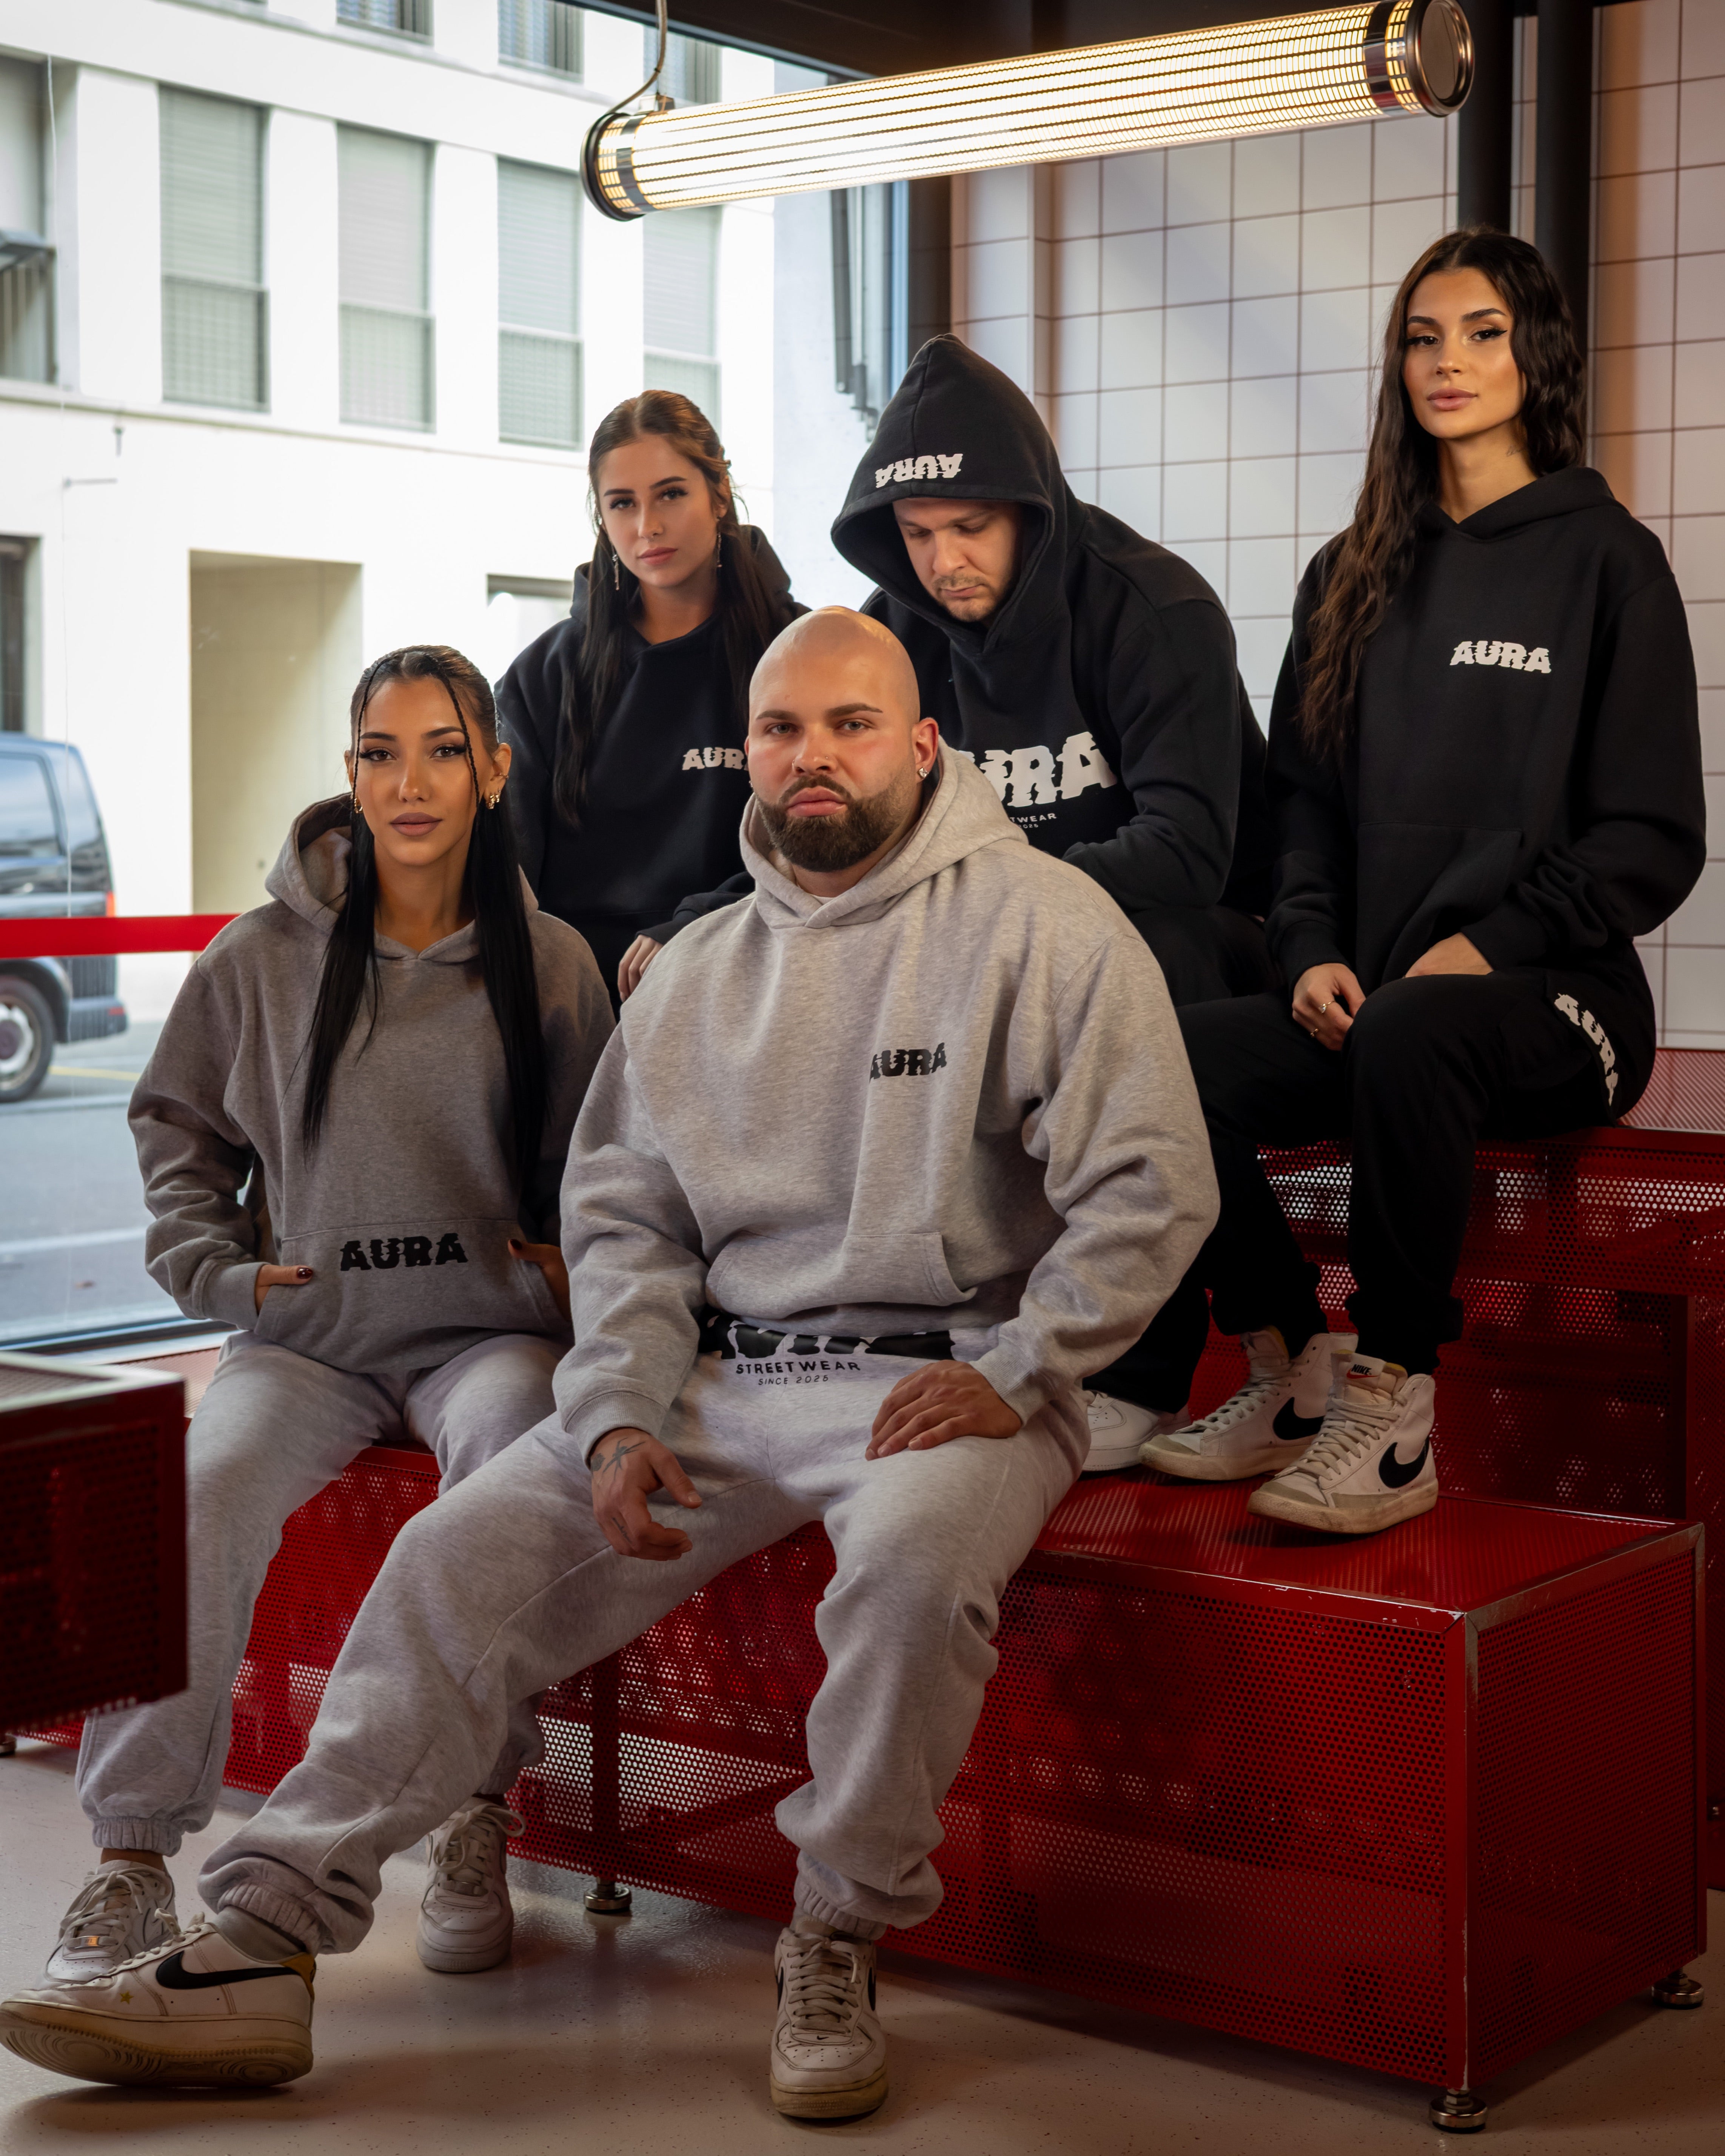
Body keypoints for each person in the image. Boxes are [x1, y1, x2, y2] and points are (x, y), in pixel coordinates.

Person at [0, 610, 1218, 2115]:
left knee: (909, 1578)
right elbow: (626, 1224)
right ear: (748, 755)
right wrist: (620, 1410)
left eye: (850, 725)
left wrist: (1028, 1362)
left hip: (951, 1381)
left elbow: (1152, 1182)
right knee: (451, 1556)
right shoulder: (700, 968)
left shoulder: (1040, 925)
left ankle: (834, 1934)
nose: (814, 755)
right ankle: (264, 1933)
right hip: (733, 1379)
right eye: (782, 729)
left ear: (921, 747)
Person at [21, 646, 612, 1999]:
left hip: (486, 1339)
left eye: (444, 751)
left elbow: (608, 1169)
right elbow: (176, 1130)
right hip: (307, 1346)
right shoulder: (263, 956)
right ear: (349, 773)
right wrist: (222, 1277)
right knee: (196, 1494)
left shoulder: (553, 963)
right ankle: (129, 1857)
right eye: (382, 754)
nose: (412, 782)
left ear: (494, 770)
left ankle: (473, 1814)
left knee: (511, 1469)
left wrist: (563, 1275)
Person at [1134, 228, 1703, 1535]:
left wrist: (1488, 947)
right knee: (1156, 1056)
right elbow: (1303, 809)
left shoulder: (1608, 563)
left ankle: (1392, 1405)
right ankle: (1290, 1361)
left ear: (1536, 354)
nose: (1449, 362)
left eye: (1483, 333)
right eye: (1422, 337)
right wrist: (1308, 950)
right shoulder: (1350, 574)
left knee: (1416, 1025)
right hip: (1379, 1003)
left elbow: (1651, 834)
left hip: (1561, 1003)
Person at [639, 336, 1275, 1469]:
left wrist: (994, 911)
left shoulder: (1154, 606)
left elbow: (1190, 851)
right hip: (994, 936)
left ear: (1030, 510)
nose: (943, 562)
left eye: (970, 528)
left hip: (1197, 930)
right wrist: (706, 916)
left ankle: (1151, 1368)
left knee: (1133, 973)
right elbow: (850, 814)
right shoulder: (901, 627)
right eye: (918, 535)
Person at [496, 390, 803, 1003]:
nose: (647, 527)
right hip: (580, 1004)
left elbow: (829, 846)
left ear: (719, 495)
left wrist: (700, 922)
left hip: (757, 984)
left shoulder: (797, 655)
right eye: (622, 504)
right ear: (601, 517)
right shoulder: (544, 676)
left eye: (670, 494)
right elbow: (505, 867)